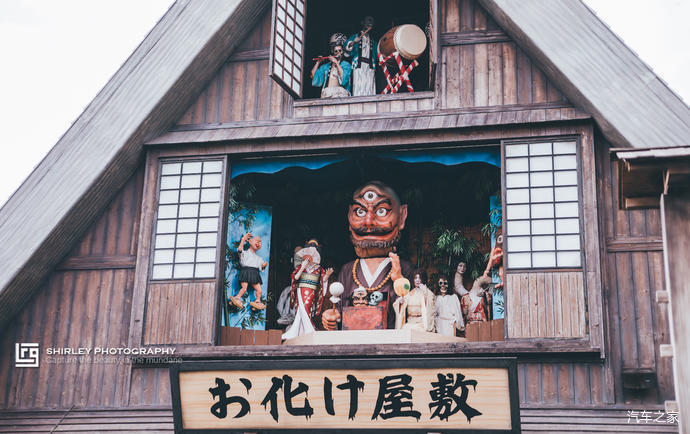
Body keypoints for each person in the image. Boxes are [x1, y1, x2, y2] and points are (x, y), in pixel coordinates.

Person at [322, 181, 414, 330]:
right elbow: (338, 312)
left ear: (402, 216)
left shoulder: (404, 268)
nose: (369, 222)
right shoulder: (348, 270)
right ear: (349, 215)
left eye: (382, 211)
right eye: (360, 212)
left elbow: (412, 311)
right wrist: (331, 317)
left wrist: (398, 279)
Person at [282, 240, 334, 339]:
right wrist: (302, 267)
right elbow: (295, 277)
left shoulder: (318, 268)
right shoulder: (301, 266)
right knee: (300, 309)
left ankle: (306, 329)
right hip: (301, 288)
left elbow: (322, 280)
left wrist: (327, 276)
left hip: (311, 289)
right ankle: (302, 330)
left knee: (307, 307)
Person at [231, 233, 267, 310]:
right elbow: (239, 250)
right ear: (250, 242)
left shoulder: (259, 258)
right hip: (246, 271)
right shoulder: (245, 253)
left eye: (260, 242)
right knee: (244, 288)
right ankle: (237, 297)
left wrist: (264, 265)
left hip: (254, 273)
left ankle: (257, 301)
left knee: (259, 290)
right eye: (257, 241)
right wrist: (243, 239)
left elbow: (261, 268)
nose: (258, 243)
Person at [345, 15, 377, 96]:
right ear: (362, 23)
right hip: (358, 67)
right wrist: (353, 43)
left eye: (372, 21)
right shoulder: (355, 37)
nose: (370, 23)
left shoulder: (373, 41)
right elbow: (346, 50)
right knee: (358, 89)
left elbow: (378, 54)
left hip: (370, 68)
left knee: (370, 89)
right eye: (368, 20)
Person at [311, 33, 352, 98]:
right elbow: (313, 75)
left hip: (340, 95)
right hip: (327, 94)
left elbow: (344, 79)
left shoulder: (346, 65)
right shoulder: (326, 67)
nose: (338, 53)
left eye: (340, 51)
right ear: (333, 52)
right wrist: (318, 62)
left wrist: (336, 63)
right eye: (336, 51)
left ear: (343, 52)